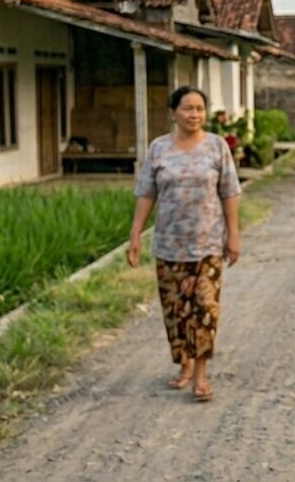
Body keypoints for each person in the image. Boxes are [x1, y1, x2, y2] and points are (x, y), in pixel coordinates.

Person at [127, 85, 242, 403]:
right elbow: (146, 193)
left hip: (207, 245)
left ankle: (201, 375)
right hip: (168, 245)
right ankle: (185, 363)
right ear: (174, 112)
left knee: (205, 309)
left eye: (200, 109)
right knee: (176, 312)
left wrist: (233, 234)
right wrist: (135, 235)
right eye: (188, 108)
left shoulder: (217, 147)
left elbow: (230, 191)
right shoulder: (159, 148)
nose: (195, 114)